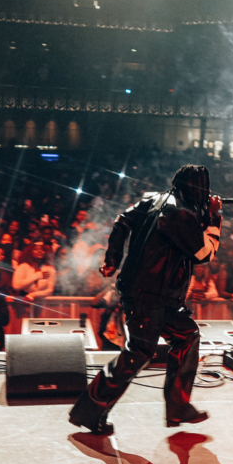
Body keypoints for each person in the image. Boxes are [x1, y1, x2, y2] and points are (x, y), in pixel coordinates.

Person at [69, 164, 222, 436]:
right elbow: (204, 254)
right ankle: (88, 409)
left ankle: (178, 406)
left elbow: (122, 221)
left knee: (187, 336)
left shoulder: (153, 198)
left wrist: (112, 259)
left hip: (158, 294)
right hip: (150, 295)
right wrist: (214, 219)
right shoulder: (182, 213)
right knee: (138, 353)